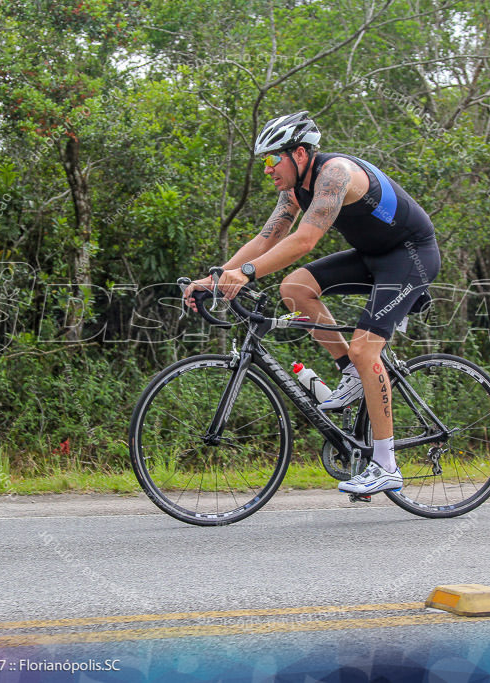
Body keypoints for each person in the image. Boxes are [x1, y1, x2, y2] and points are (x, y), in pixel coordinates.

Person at [183, 111, 441, 495]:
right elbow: (268, 238)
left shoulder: (335, 174)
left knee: (364, 348)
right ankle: (351, 374)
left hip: (410, 257)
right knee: (296, 287)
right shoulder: (294, 189)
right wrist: (218, 277)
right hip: (373, 256)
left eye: (273, 159)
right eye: (264, 162)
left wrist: (247, 273)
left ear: (299, 154)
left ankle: (386, 465)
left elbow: (305, 241)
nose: (268, 169)